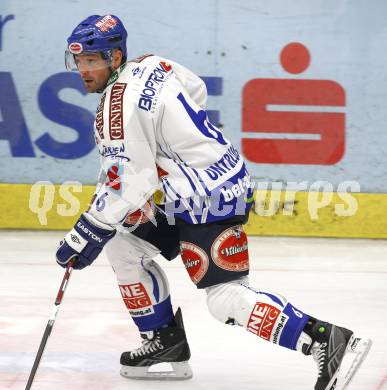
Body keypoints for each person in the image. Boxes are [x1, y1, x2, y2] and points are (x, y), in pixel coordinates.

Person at [56, 14, 371, 389]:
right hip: (207, 182)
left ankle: (326, 339)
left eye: (93, 60)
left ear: (117, 56)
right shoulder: (154, 64)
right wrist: (175, 149)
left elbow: (128, 183)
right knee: (124, 245)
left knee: (224, 299)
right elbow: (196, 89)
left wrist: (85, 232)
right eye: (79, 62)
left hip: (208, 196)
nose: (84, 70)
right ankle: (165, 343)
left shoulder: (116, 109)